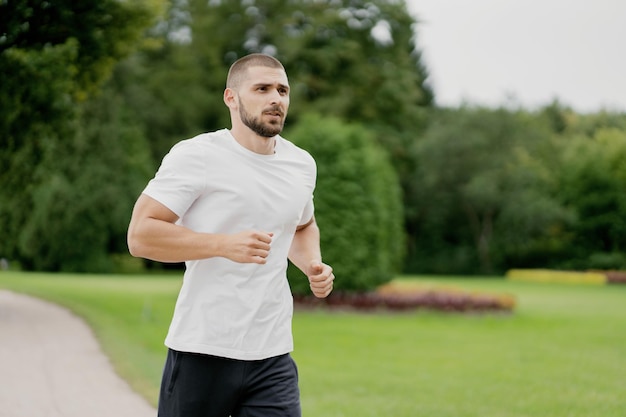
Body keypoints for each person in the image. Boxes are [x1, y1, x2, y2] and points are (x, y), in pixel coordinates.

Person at [127, 53, 334, 417]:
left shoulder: (301, 164)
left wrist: (312, 264)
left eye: (283, 90)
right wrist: (223, 245)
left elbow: (302, 225)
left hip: (271, 354)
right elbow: (141, 235)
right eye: (263, 88)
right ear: (231, 97)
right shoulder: (197, 155)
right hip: (202, 349)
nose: (277, 99)